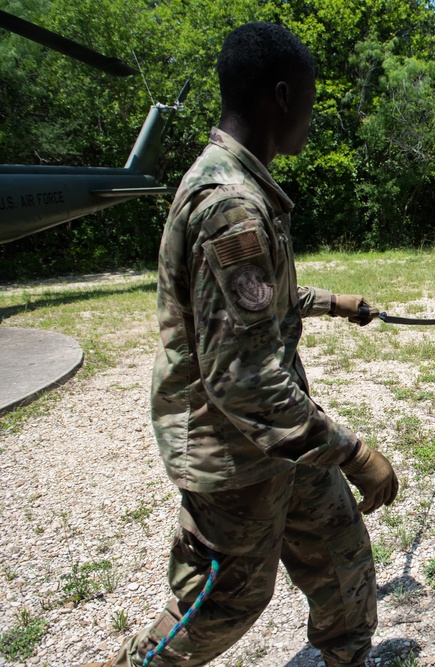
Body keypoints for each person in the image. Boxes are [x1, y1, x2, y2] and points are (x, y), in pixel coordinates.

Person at [80, 21, 398, 667]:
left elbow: (246, 307)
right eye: (308, 99)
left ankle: (346, 655)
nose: (310, 117)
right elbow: (242, 379)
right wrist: (353, 452)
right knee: (225, 601)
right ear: (281, 96)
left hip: (281, 443)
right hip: (232, 454)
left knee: (341, 556)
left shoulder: (238, 185)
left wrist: (331, 302)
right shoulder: (232, 205)